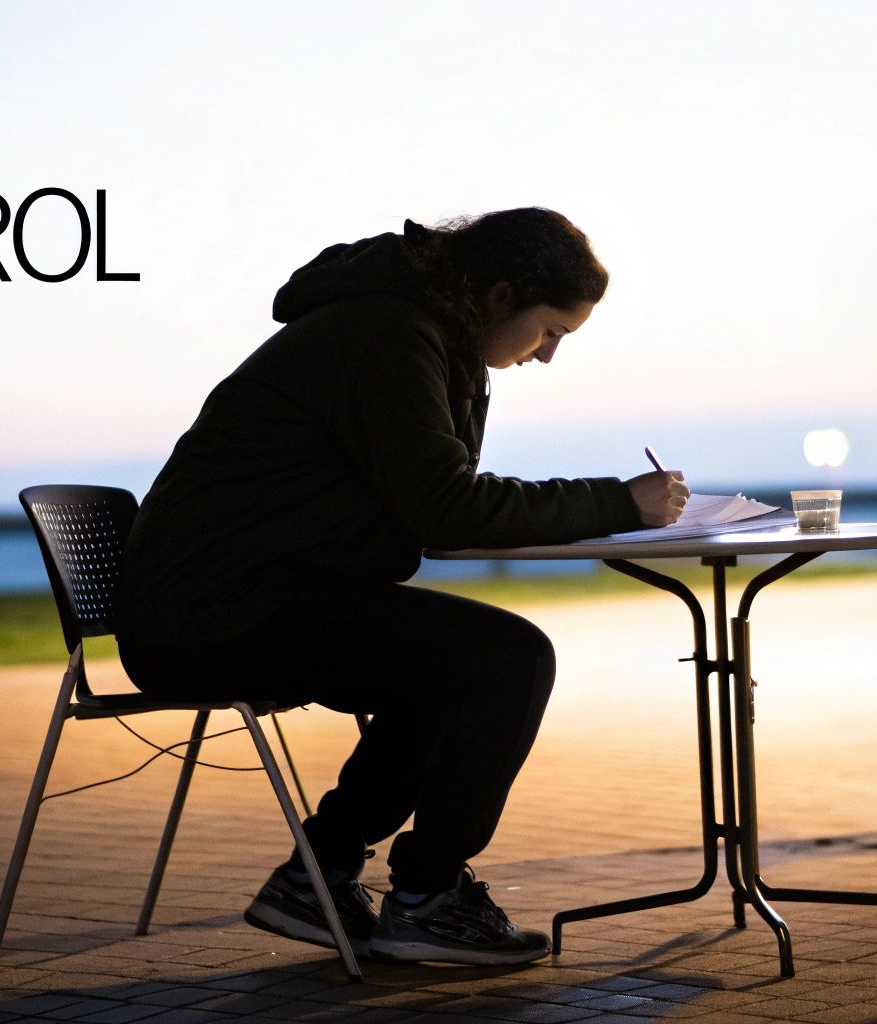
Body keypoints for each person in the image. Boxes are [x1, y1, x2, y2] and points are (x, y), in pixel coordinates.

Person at [116, 207, 689, 966]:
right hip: (210, 616)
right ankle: (427, 897)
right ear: (499, 294)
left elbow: (437, 500)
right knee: (508, 659)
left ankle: (319, 875)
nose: (548, 356)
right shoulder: (387, 336)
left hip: (243, 594)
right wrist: (619, 502)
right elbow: (447, 504)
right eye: (550, 330)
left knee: (459, 661)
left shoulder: (418, 333)